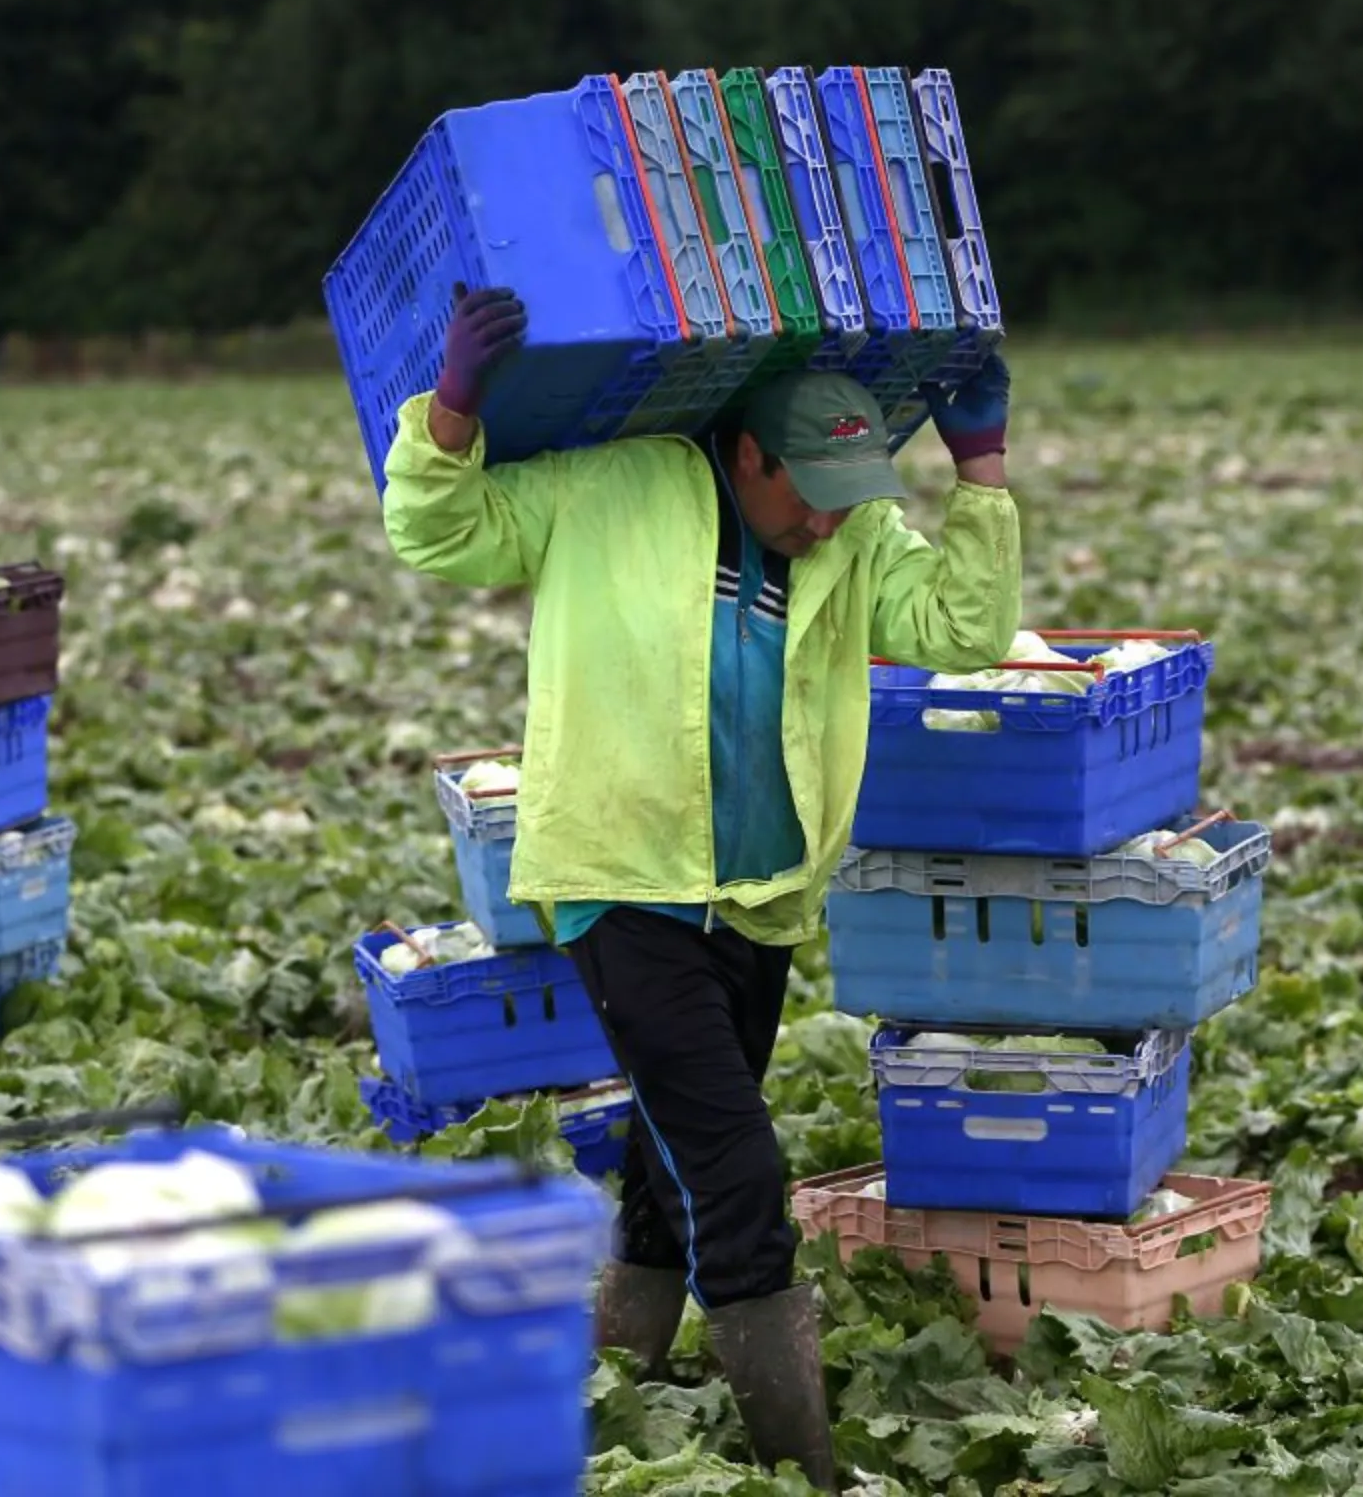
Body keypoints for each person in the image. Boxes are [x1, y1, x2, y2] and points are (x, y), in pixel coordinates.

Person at [379, 284, 1024, 1491]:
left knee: (670, 1161)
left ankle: (597, 1386)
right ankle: (803, 1469)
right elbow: (440, 531)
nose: (826, 528)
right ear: (746, 454)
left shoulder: (858, 536)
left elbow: (966, 625)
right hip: (622, 883)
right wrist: (453, 404)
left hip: (761, 896)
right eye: (808, 500)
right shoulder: (610, 487)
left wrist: (979, 470)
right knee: (735, 1172)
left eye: (849, 504)